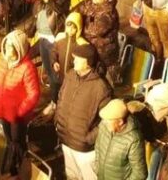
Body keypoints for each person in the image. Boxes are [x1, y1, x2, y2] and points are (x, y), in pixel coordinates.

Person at [56, 42, 112, 180]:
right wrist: (57, 122)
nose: (73, 61)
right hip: (65, 140)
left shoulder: (101, 87)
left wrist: (88, 138)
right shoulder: (70, 76)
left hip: (84, 150)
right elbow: (60, 98)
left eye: (77, 58)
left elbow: (107, 120)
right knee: (71, 176)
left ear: (88, 62)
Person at [0, 28, 40, 176]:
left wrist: (19, 111)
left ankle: (21, 169)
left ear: (19, 48)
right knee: (9, 139)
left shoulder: (27, 67)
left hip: (17, 116)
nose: (7, 49)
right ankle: (13, 166)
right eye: (6, 45)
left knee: (18, 142)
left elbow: (33, 94)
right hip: (2, 110)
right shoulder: (2, 62)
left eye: (11, 46)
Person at [94, 98, 147, 180]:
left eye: (109, 120)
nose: (105, 122)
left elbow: (140, 174)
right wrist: (97, 168)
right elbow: (98, 148)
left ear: (120, 122)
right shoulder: (103, 125)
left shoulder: (134, 139)